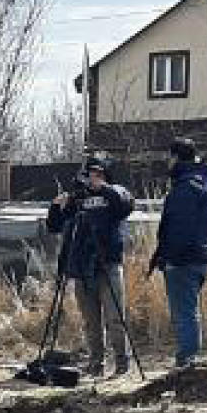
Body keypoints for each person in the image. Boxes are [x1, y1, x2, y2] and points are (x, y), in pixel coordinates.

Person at [42, 154, 134, 374]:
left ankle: (122, 362)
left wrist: (103, 188)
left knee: (115, 317)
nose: (92, 178)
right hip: (81, 267)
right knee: (90, 320)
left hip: (108, 264)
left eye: (97, 174)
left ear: (105, 175)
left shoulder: (115, 193)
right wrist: (56, 206)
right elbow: (54, 226)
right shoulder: (78, 199)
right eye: (89, 174)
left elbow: (126, 205)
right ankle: (96, 362)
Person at [146, 138, 207, 369]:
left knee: (184, 313)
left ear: (176, 158)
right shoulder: (204, 183)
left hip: (182, 260)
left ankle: (188, 362)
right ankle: (189, 359)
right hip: (198, 257)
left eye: (169, 157)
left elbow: (178, 228)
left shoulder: (185, 189)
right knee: (189, 310)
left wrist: (168, 257)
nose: (167, 162)